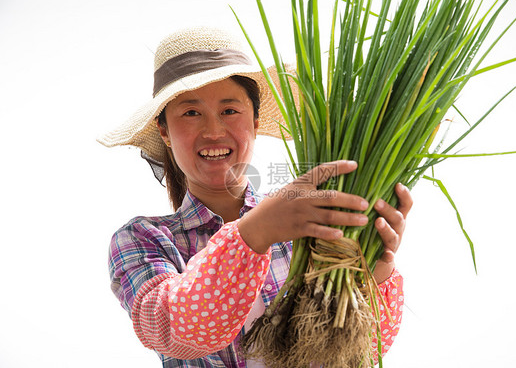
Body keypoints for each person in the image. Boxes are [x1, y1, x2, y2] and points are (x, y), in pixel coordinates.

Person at [98, 26, 413, 367]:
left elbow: (361, 347)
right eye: (191, 113)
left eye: (230, 110)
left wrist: (377, 265)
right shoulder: (143, 239)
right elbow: (173, 328)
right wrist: (255, 233)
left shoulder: (307, 218)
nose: (213, 131)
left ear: (256, 119)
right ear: (165, 131)